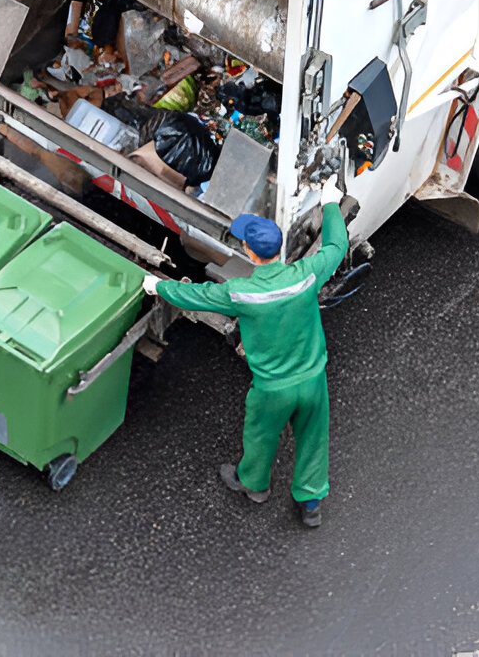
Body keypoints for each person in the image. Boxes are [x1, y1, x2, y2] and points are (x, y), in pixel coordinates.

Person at [144, 189, 353, 527]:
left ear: (248, 252)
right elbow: (336, 246)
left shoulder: (241, 293)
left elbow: (199, 295)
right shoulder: (307, 276)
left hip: (272, 389)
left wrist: (158, 286)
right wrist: (329, 204)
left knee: (260, 435)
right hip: (313, 380)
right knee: (314, 438)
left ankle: (254, 485)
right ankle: (311, 501)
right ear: (279, 247)